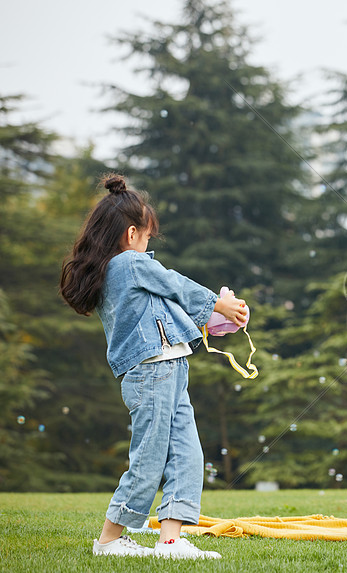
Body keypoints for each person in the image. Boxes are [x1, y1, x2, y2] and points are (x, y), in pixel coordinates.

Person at [59, 174, 247, 559]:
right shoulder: (128, 264)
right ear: (131, 234)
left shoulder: (124, 271)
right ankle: (110, 538)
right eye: (147, 237)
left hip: (170, 369)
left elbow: (164, 306)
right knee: (149, 457)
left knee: (187, 454)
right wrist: (217, 304)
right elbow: (174, 282)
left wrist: (208, 322)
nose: (148, 247)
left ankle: (171, 540)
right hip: (152, 372)